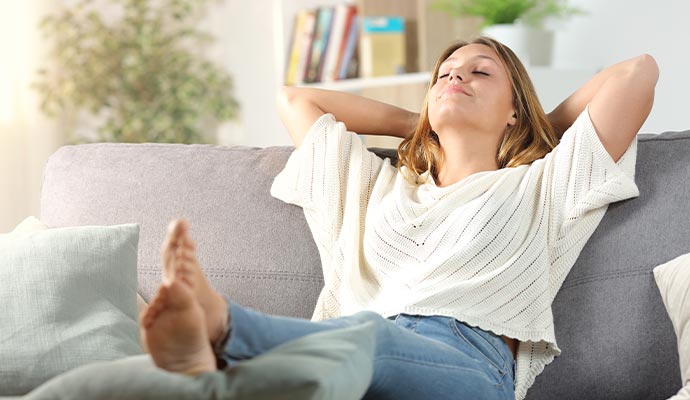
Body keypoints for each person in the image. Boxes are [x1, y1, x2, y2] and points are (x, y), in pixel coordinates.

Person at [139, 37, 659, 400]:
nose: (456, 76)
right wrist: (420, 124)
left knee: (367, 340)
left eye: (479, 73)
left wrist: (537, 127)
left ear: (514, 111)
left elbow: (637, 72)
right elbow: (297, 99)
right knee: (356, 350)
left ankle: (224, 329)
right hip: (350, 356)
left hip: (467, 365)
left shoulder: (545, 183)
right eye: (445, 75)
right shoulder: (374, 186)